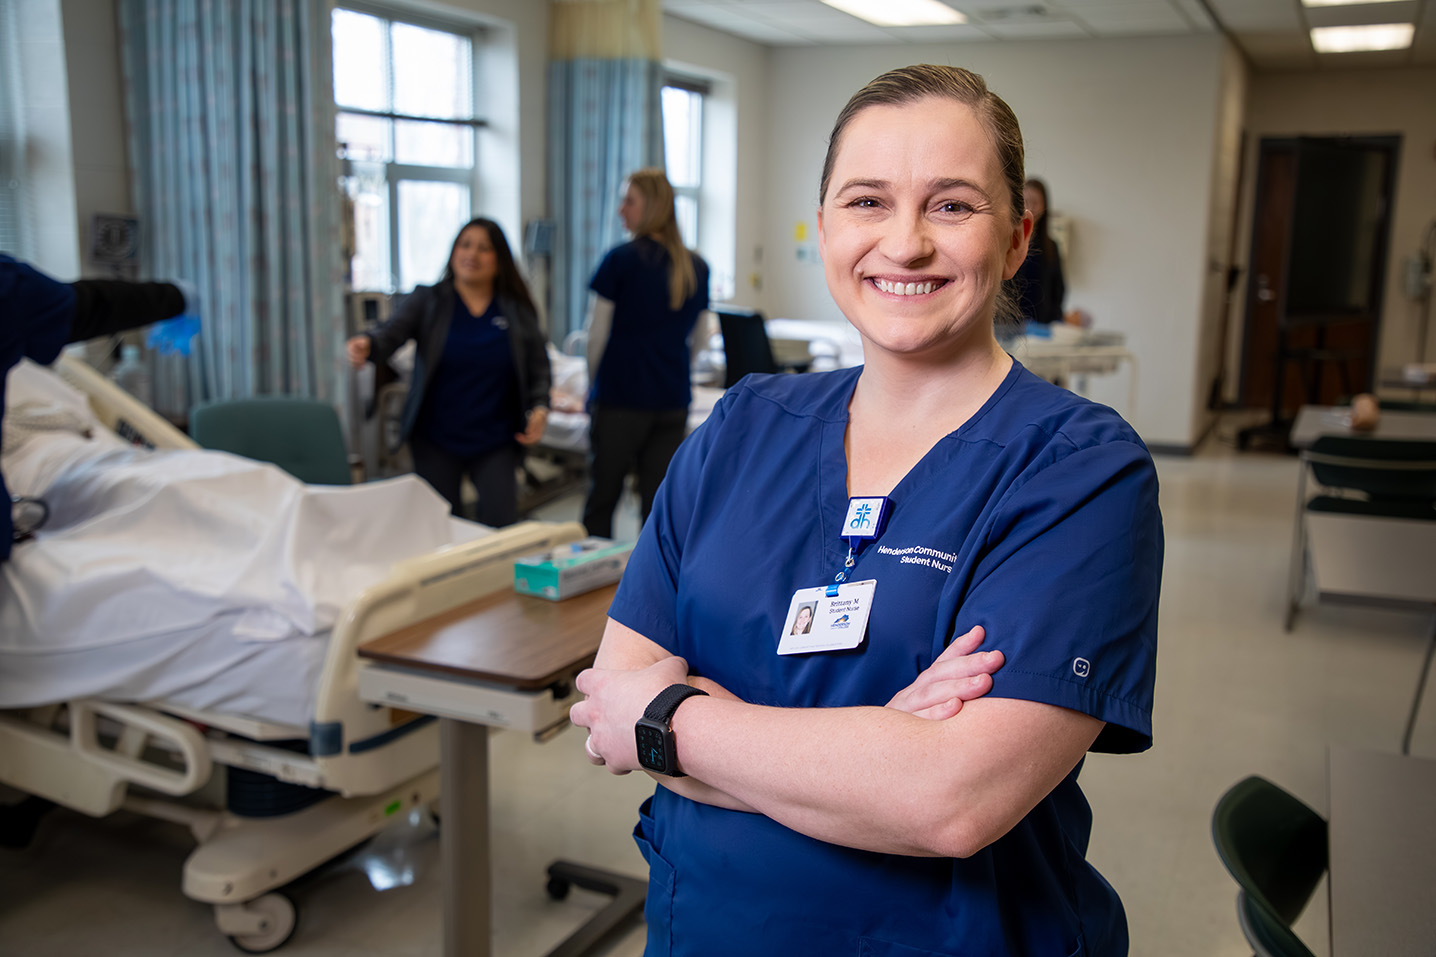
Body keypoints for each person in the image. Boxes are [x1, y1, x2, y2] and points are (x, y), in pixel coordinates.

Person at [570, 64, 1162, 956]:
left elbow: (950, 801)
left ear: (1016, 240)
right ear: (826, 226)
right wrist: (882, 746)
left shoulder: (1080, 470)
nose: (906, 242)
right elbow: (612, 709)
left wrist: (675, 720)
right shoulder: (741, 428)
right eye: (867, 202)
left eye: (952, 205)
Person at [347, 218, 550, 527]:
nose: (472, 254)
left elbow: (538, 366)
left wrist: (540, 407)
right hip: (436, 439)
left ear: (499, 259)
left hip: (495, 439)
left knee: (501, 524)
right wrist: (368, 343)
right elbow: (390, 334)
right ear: (453, 252)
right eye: (465, 245)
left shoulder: (516, 310)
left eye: (484, 248)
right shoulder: (429, 301)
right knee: (441, 527)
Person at [2, 254, 193, 561]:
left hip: (78, 453)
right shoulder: (8, 289)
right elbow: (87, 307)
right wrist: (178, 296)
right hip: (39, 461)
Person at [581, 168, 710, 539]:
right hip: (671, 399)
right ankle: (649, 575)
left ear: (652, 206)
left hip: (619, 399)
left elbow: (596, 336)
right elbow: (701, 338)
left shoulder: (620, 260)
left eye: (629, 201)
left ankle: (593, 570)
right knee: (657, 506)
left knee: (603, 498)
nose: (621, 209)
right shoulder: (696, 266)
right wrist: (673, 366)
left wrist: (593, 386)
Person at [1014, 176, 1067, 327]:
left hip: (1041, 325)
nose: (1030, 208)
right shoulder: (1008, 242)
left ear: (1044, 206)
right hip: (1009, 325)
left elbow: (1058, 287)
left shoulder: (1051, 246)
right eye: (1026, 201)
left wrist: (1054, 318)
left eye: (1035, 202)